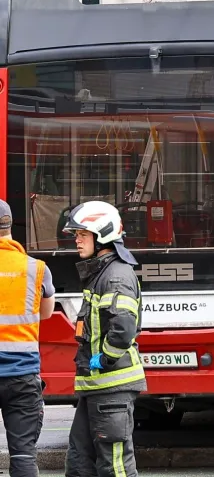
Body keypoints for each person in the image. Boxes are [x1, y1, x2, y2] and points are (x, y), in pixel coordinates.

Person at [61, 201, 145, 477]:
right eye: (76, 235)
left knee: (114, 466)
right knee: (80, 464)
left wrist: (105, 359)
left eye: (82, 235)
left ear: (102, 235)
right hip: (95, 388)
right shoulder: (100, 274)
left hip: (111, 387)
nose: (76, 241)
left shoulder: (116, 276)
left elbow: (122, 328)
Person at [0, 199, 56, 476]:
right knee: (23, 455)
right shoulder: (36, 268)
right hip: (22, 375)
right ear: (10, 225)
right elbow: (45, 313)